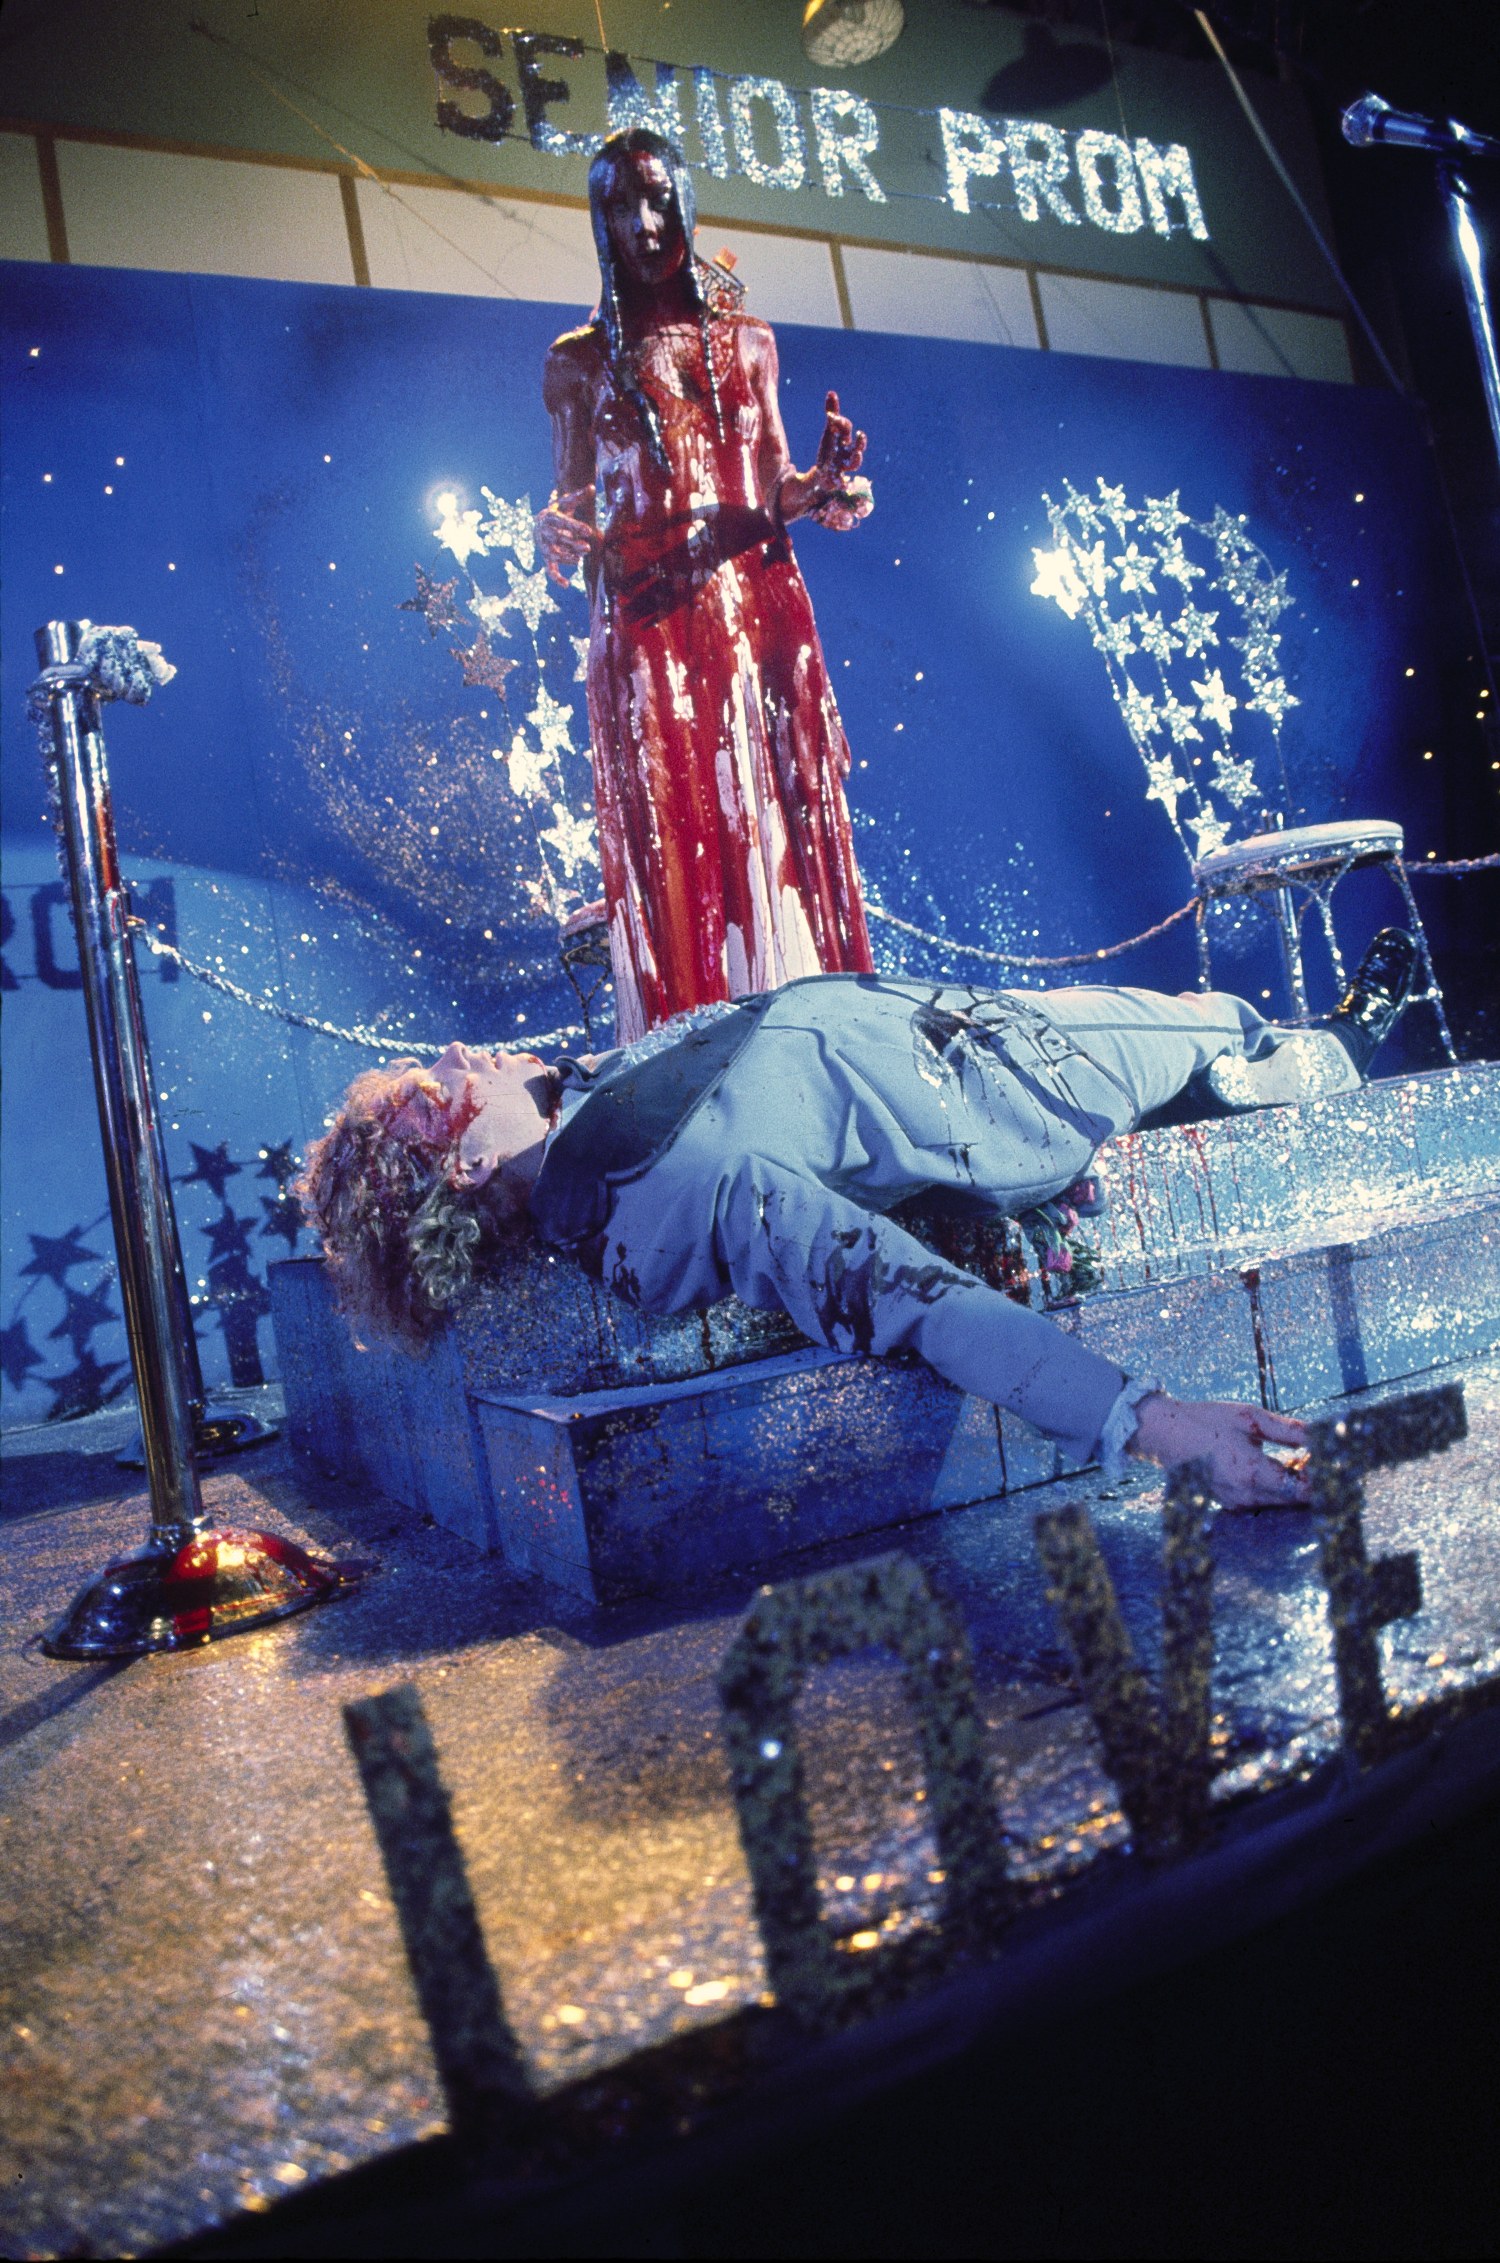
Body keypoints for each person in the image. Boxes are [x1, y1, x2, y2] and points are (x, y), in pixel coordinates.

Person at [297, 933, 1418, 1515]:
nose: (458, 1053)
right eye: (435, 1093)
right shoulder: (675, 1189)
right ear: (468, 1168)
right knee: (1220, 1032)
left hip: (970, 1035)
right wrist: (1157, 1426)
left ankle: (1268, 1062)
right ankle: (1338, 1050)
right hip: (1016, 1083)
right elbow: (919, 1304)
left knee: (1203, 1037)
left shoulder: (593, 1132)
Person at [537, 127, 875, 1044]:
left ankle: (805, 1037)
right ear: (600, 223)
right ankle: (689, 1052)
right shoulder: (576, 362)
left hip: (751, 609)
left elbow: (772, 485)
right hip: (644, 628)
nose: (644, 225)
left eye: (657, 200)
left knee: (769, 815)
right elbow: (570, 497)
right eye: (620, 207)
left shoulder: (749, 343)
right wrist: (552, 529)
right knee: (673, 828)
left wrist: (823, 484)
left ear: (684, 200)